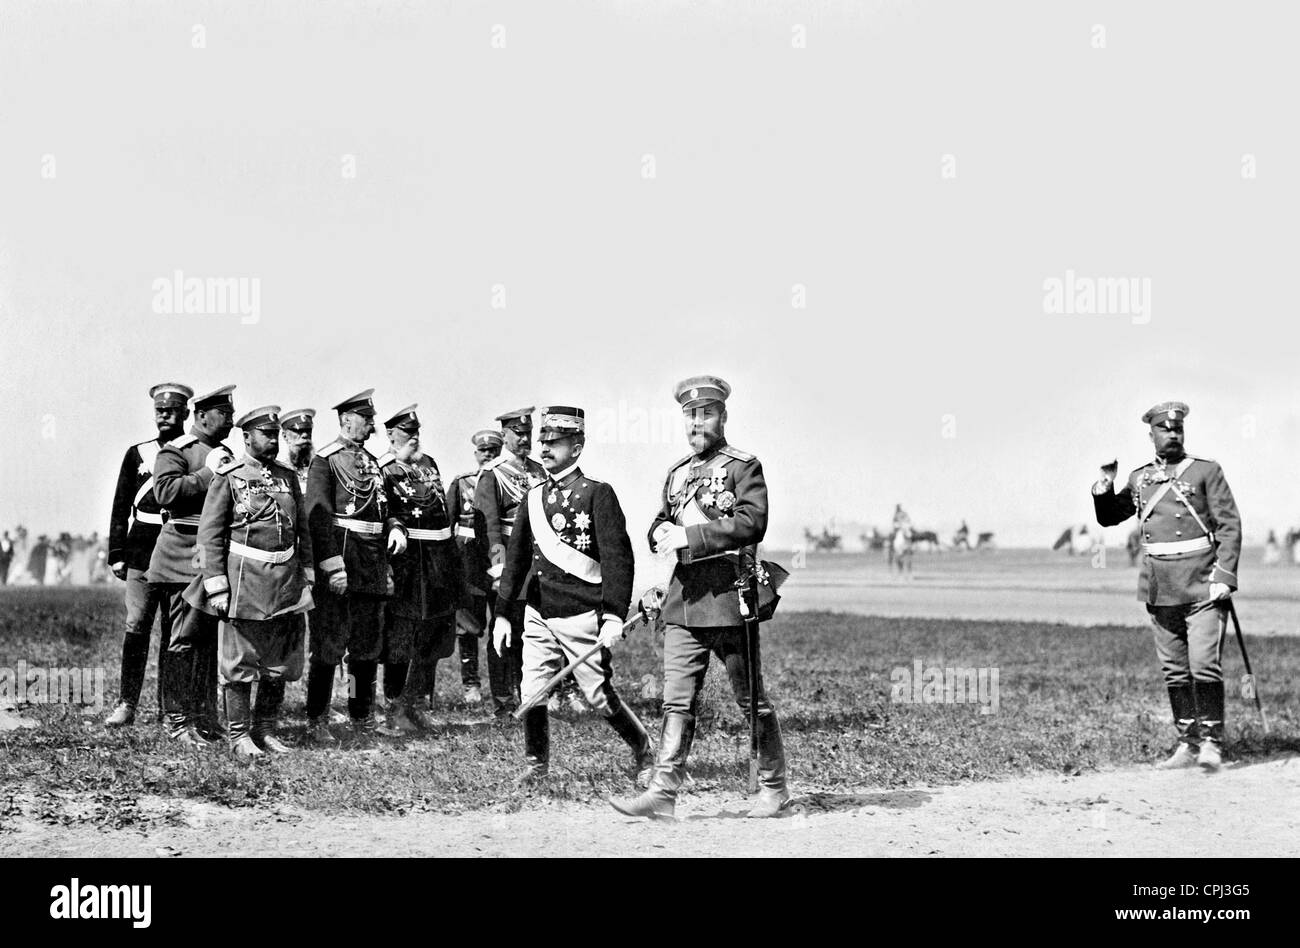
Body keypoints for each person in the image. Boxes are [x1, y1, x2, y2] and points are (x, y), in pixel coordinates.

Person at [611, 376, 791, 819]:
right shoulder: (676, 474)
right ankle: (663, 792)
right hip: (683, 601)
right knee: (677, 700)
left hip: (730, 599)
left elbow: (752, 523)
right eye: (690, 415)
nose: (697, 423)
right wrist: (659, 535)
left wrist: (688, 535)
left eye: (706, 413)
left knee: (751, 700)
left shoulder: (743, 466)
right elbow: (660, 520)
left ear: (723, 416)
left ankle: (775, 787)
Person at [492, 406, 652, 784]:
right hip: (538, 610)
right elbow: (515, 561)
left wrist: (613, 614)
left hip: (581, 611)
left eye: (556, 442)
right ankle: (536, 766)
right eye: (543, 441)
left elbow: (617, 559)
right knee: (532, 690)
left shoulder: (598, 493)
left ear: (577, 447)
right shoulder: (532, 497)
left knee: (597, 694)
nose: (545, 448)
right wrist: (501, 613)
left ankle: (644, 751)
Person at [1093, 401, 1242, 772]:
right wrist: (1104, 486)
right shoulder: (1140, 478)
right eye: (1165, 430)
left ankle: (1211, 743)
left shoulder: (1206, 471)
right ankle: (1187, 744)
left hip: (1202, 584)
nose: (1172, 434)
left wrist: (1224, 576)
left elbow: (1229, 526)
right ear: (1152, 435)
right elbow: (1112, 517)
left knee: (1204, 665)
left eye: (1177, 429)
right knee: (1175, 670)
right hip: (1161, 587)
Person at [183, 406, 314, 756]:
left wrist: (310, 572)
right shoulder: (228, 475)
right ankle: (239, 736)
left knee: (278, 662)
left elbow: (302, 529)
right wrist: (216, 585)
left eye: (275, 435)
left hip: (285, 579)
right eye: (266, 435)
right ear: (247, 437)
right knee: (240, 662)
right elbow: (209, 535)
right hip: (244, 580)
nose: (273, 440)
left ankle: (266, 729)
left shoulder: (287, 477)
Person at [304, 389, 396, 740]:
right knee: (329, 645)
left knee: (366, 647)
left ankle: (361, 716)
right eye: (366, 420)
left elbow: (384, 512)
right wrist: (332, 566)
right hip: (342, 561)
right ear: (346, 421)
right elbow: (318, 518)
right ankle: (317, 719)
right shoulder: (324, 461)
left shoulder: (372, 462)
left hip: (372, 562)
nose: (371, 428)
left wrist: (395, 530)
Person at [148, 384, 238, 745]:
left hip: (210, 555)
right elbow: (164, 494)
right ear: (201, 416)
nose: (230, 420)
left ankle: (204, 717)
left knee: (206, 641)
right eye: (225, 414)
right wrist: (207, 475)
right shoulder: (177, 450)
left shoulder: (226, 453)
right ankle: (177, 720)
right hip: (180, 553)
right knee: (181, 640)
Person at [104, 382, 192, 727]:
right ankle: (127, 704)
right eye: (160, 410)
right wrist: (116, 552)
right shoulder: (138, 453)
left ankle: (170, 708)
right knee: (137, 625)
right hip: (142, 549)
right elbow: (121, 504)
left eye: (172, 410)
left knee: (175, 633)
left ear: (186, 413)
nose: (165, 416)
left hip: (181, 549)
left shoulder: (194, 451)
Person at [377, 404, 465, 731]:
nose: (413, 439)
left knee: (433, 637)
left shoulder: (429, 464)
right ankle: (393, 709)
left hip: (439, 561)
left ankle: (414, 704)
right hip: (408, 562)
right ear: (390, 435)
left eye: (416, 433)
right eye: (406, 433)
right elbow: (382, 514)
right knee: (402, 640)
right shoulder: (382, 469)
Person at [475, 408, 547, 720]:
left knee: (532, 632)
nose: (523, 438)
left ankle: (530, 697)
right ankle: (503, 701)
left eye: (527, 432)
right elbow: (489, 527)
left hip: (538, 564)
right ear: (504, 436)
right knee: (504, 630)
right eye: (516, 433)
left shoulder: (540, 471)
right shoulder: (493, 474)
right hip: (507, 564)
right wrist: (498, 568)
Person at [445, 429, 503, 705]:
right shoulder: (462, 482)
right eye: (483, 452)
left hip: (499, 559)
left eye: (493, 451)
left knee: (503, 624)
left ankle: (506, 686)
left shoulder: (505, 482)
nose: (488, 456)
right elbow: (447, 523)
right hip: (469, 564)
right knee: (468, 625)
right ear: (476, 453)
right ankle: (471, 685)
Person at [279, 408, 317, 493]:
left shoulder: (322, 467)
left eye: (308, 430)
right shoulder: (279, 472)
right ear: (285, 436)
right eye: (298, 431)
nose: (305, 435)